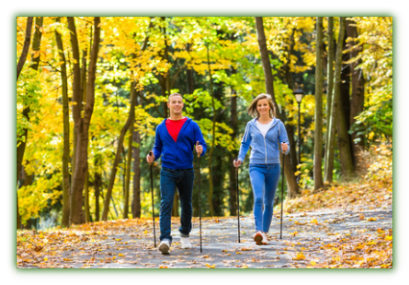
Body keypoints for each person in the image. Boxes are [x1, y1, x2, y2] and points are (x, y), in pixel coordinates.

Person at [147, 93, 206, 254]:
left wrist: (201, 149)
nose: (177, 104)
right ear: (168, 105)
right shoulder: (161, 127)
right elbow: (158, 147)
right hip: (168, 170)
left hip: (187, 170)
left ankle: (185, 234)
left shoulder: (191, 125)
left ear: (182, 104)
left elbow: (202, 144)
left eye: (179, 102)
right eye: (174, 102)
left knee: (186, 204)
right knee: (166, 203)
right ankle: (165, 239)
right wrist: (152, 155)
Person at [233, 93, 289, 245]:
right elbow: (245, 144)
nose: (262, 107)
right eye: (259, 105)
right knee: (258, 198)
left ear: (270, 106)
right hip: (256, 165)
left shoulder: (278, 124)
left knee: (269, 201)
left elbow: (286, 146)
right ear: (256, 108)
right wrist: (240, 158)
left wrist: (285, 148)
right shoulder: (250, 125)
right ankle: (258, 231)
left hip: (274, 166)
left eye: (265, 104)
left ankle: (264, 233)